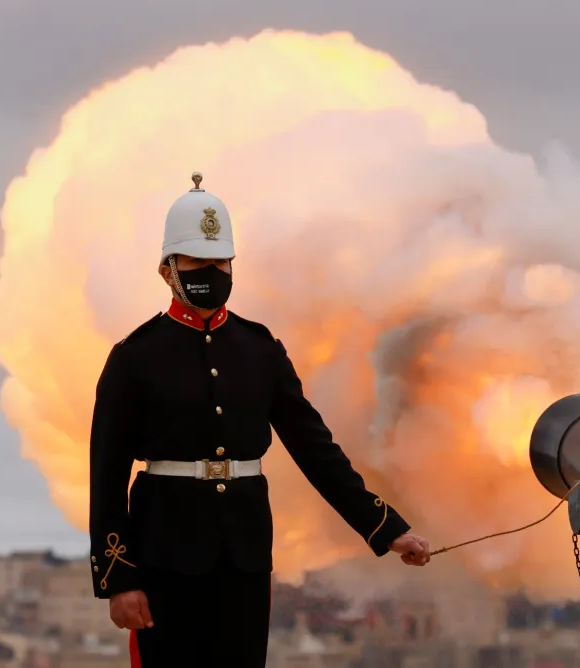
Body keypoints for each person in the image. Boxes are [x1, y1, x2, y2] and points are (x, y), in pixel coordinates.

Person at [88, 172, 431, 668]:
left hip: (244, 556)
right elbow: (107, 477)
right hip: (163, 556)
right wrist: (119, 579)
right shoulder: (133, 357)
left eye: (220, 261)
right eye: (197, 262)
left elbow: (316, 449)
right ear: (168, 270)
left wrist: (384, 528)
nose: (212, 270)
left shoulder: (261, 348)